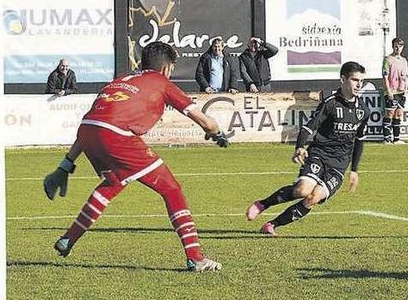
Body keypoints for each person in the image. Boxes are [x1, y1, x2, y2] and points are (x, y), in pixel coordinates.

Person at [41, 42, 229, 272]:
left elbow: (96, 122)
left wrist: (65, 165)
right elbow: (205, 121)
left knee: (114, 182)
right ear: (166, 68)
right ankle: (195, 257)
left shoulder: (120, 80)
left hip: (87, 131)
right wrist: (217, 132)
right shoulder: (161, 82)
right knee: (171, 189)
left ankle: (68, 239)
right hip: (117, 135)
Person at [246, 61, 370, 236]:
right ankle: (263, 204)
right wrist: (299, 147)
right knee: (302, 190)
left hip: (339, 164)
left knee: (313, 198)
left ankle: (272, 225)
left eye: (361, 81)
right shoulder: (330, 103)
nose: (359, 84)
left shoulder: (363, 110)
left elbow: (359, 140)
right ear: (343, 79)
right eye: (355, 80)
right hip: (319, 154)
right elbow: (308, 128)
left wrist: (355, 170)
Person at [382, 38, 408, 144]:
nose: (398, 48)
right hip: (392, 91)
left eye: (400, 46)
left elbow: (406, 77)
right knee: (389, 113)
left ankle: (396, 138)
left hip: (401, 91)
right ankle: (386, 138)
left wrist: (405, 91)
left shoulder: (404, 60)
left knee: (398, 114)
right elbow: (385, 76)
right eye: (396, 46)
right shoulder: (388, 59)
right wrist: (388, 91)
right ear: (393, 46)